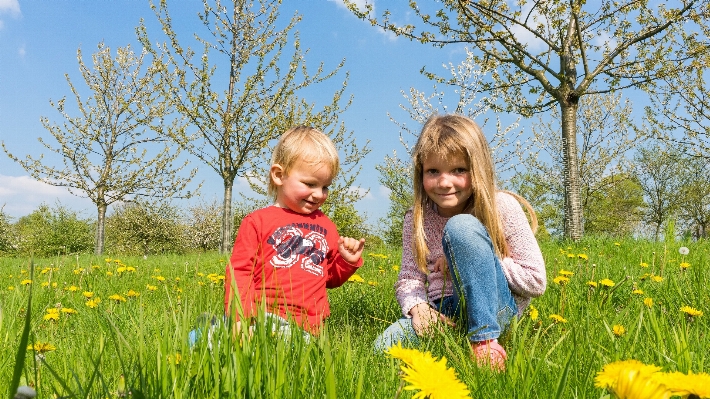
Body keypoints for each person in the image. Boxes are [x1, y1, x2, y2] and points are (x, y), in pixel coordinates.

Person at [373, 114, 546, 371]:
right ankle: (457, 339)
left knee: (461, 227)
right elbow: (409, 278)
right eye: (433, 171)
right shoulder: (415, 218)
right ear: (421, 172)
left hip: (496, 308)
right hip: (444, 312)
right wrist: (419, 309)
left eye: (459, 170)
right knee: (384, 347)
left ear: (478, 169)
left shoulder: (503, 207)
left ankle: (485, 340)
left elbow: (535, 281)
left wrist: (480, 258)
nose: (445, 182)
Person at [223, 126, 366, 339]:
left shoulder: (325, 225)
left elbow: (330, 278)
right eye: (310, 184)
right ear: (279, 175)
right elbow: (239, 273)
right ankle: (214, 334)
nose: (319, 194)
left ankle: (212, 334)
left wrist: (346, 262)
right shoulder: (257, 222)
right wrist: (240, 318)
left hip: (309, 328)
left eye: (325, 186)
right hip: (262, 318)